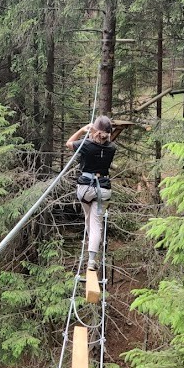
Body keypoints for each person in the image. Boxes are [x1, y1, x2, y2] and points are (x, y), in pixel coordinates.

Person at [66, 115, 120, 271]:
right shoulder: (112, 148)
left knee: (89, 219)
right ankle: (91, 260)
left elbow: (68, 143)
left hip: (85, 189)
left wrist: (82, 130)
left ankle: (91, 244)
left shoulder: (86, 145)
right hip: (104, 190)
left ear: (95, 131)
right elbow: (104, 144)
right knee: (96, 223)